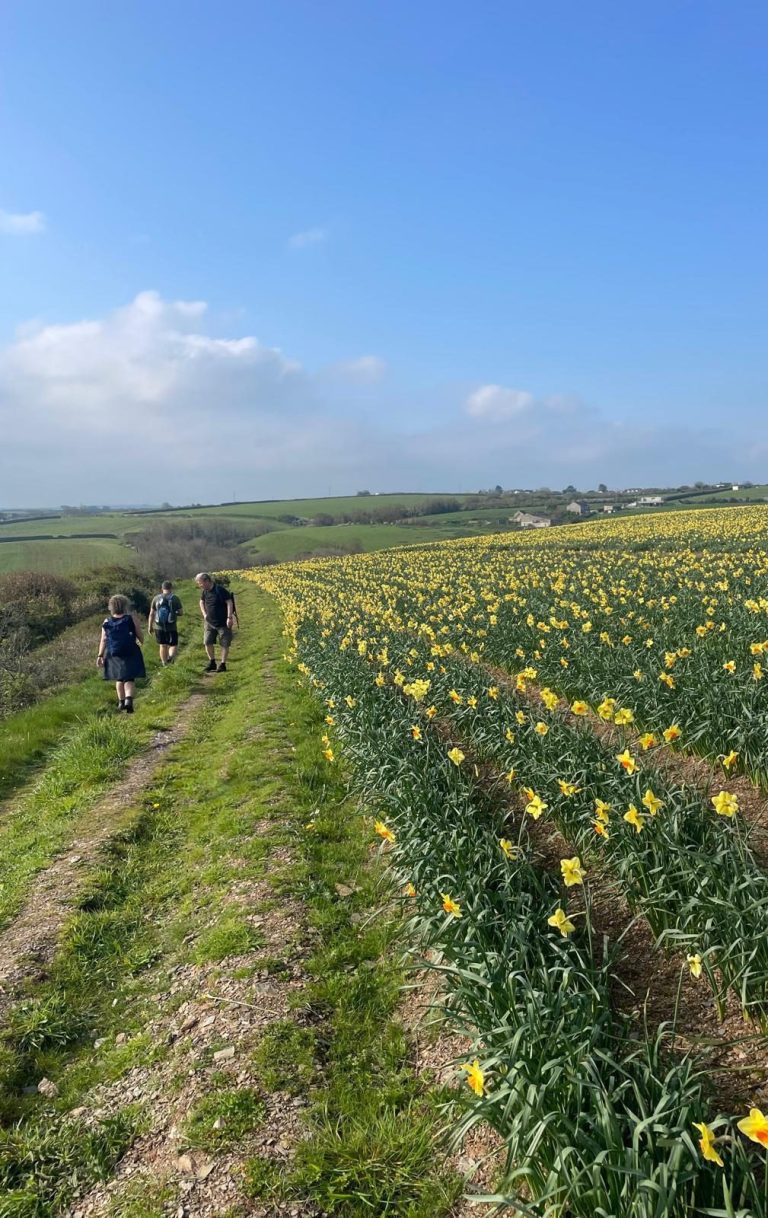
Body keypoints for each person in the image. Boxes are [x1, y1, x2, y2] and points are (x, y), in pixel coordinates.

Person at [97, 594, 146, 713]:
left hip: (113, 652)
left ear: (111, 607)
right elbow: (139, 634)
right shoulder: (131, 618)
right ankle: (129, 700)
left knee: (119, 678)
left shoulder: (107, 621)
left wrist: (100, 655)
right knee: (129, 677)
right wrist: (141, 641)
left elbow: (103, 639)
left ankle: (121, 702)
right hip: (130, 650)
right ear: (125, 605)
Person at [195, 572, 235, 672]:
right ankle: (212, 662)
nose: (199, 585)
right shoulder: (205, 591)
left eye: (200, 583)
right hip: (210, 622)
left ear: (207, 581)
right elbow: (201, 602)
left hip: (222, 622)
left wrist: (229, 618)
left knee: (224, 644)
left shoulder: (219, 590)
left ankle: (223, 664)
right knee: (207, 642)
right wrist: (204, 614)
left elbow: (229, 602)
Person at [148, 580, 183, 665]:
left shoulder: (156, 598)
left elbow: (151, 613)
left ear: (162, 588)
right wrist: (175, 613)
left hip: (158, 626)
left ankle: (164, 664)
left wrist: (150, 626)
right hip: (171, 626)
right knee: (173, 644)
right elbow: (181, 612)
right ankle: (170, 658)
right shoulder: (175, 598)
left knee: (162, 645)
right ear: (171, 588)